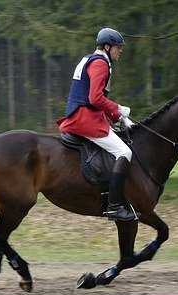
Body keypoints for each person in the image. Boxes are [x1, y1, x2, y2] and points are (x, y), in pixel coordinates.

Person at [58, 27, 136, 221]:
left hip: (84, 115)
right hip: (85, 119)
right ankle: (115, 206)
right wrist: (118, 109)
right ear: (108, 47)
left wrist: (117, 118)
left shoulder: (91, 59)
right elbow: (94, 98)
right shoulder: (101, 63)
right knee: (125, 152)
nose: (121, 50)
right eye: (118, 47)